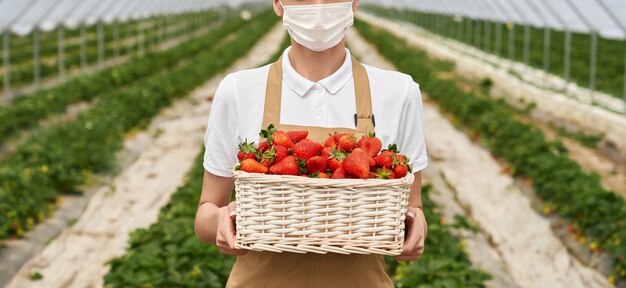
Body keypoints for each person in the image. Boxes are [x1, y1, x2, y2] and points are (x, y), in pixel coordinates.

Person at [194, 0, 428, 286]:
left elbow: (413, 207)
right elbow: (206, 212)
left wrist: (416, 229)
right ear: (278, 4)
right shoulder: (238, 91)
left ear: (354, 2)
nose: (317, 4)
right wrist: (219, 221)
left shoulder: (399, 92)